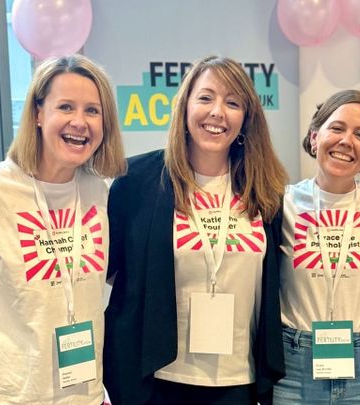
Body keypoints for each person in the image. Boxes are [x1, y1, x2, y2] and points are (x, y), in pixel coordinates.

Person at [0, 55, 127, 405]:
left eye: (92, 111)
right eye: (65, 107)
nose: (79, 122)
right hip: (1, 395)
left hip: (82, 395)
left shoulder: (99, 192)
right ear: (38, 114)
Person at [103, 55, 288, 405]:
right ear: (184, 106)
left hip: (238, 380)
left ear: (246, 118)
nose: (218, 112)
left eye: (232, 103)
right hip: (157, 380)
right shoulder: (137, 180)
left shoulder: (265, 190)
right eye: (205, 98)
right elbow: (113, 275)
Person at [274, 90, 360, 404]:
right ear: (315, 137)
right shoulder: (282, 202)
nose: (347, 140)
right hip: (295, 364)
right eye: (337, 128)